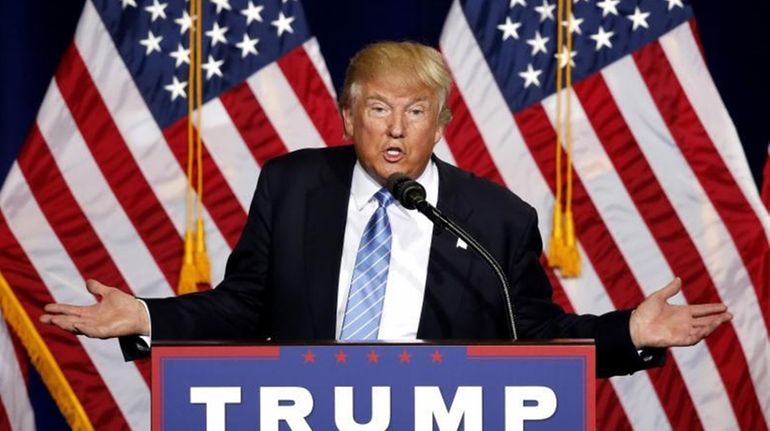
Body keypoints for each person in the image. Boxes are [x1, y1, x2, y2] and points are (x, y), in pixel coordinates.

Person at [40, 41, 731, 378]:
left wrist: (629, 332)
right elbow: (243, 306)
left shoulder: (497, 220)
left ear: (441, 124)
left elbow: (535, 337)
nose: (396, 130)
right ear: (347, 117)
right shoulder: (291, 185)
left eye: (415, 112)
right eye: (378, 109)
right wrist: (148, 316)